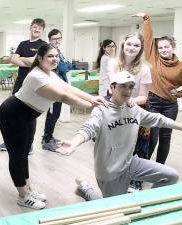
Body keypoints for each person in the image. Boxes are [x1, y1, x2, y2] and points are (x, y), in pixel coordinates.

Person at [0, 43, 107, 209]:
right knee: (17, 155)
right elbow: (62, 96)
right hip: (13, 115)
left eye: (56, 56)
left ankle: (28, 189)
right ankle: (23, 195)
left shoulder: (49, 73)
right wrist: (92, 106)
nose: (54, 59)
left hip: (28, 115)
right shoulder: (36, 76)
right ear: (40, 58)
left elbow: (67, 87)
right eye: (50, 56)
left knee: (25, 153)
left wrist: (92, 98)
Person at [57, 71, 180, 201]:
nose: (128, 90)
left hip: (130, 163)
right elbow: (89, 127)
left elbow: (159, 119)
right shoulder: (102, 110)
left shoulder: (133, 109)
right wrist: (74, 142)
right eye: (123, 86)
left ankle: (149, 204)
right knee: (110, 208)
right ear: (112, 87)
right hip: (110, 171)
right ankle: (86, 188)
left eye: (131, 87)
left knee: (171, 176)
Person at [134, 12, 182, 165]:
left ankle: (159, 168)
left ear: (172, 47)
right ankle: (145, 167)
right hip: (153, 102)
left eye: (166, 47)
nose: (163, 50)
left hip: (170, 105)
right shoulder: (153, 58)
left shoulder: (180, 66)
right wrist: (147, 19)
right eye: (160, 47)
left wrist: (180, 92)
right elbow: (148, 40)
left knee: (165, 137)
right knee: (152, 137)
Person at [107, 32, 152, 192]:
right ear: (123, 45)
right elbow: (113, 87)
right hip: (116, 108)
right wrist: (123, 99)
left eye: (136, 45)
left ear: (140, 49)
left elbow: (143, 97)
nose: (131, 48)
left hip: (136, 109)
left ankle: (136, 181)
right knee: (117, 146)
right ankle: (117, 177)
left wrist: (131, 100)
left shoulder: (145, 69)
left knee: (139, 147)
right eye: (129, 44)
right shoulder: (113, 63)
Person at [0, 18, 47, 151]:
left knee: (30, 115)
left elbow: (35, 62)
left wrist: (24, 59)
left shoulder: (43, 46)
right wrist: (28, 60)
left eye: (40, 28)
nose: (37, 30)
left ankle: (28, 145)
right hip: (20, 82)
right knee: (14, 112)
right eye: (35, 27)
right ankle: (11, 142)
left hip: (34, 84)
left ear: (42, 31)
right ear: (30, 27)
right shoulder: (23, 43)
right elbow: (13, 59)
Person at [41, 28, 74, 151]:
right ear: (49, 39)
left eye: (59, 38)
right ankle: (47, 140)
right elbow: (64, 66)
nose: (57, 40)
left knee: (55, 114)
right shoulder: (50, 51)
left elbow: (68, 65)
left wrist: (66, 65)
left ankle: (48, 136)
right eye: (55, 38)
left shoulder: (58, 51)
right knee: (53, 114)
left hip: (60, 86)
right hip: (53, 87)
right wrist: (65, 65)